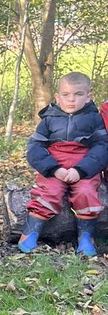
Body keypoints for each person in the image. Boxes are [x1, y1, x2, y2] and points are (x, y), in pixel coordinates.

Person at [19, 73, 107, 257]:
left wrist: (81, 170)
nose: (72, 100)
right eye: (66, 95)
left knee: (86, 193)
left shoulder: (94, 119)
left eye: (78, 94)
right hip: (55, 167)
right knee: (47, 193)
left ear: (89, 96)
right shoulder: (49, 119)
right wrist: (53, 169)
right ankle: (30, 232)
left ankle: (85, 237)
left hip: (83, 168)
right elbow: (34, 147)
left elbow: (101, 148)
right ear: (57, 97)